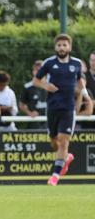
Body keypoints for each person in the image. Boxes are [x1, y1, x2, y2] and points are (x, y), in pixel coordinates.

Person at [33, 34, 84, 186]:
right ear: (55, 47)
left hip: (68, 109)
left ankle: (55, 176)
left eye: (65, 45)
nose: (62, 47)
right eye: (59, 45)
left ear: (70, 47)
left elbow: (80, 84)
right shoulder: (49, 63)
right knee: (54, 142)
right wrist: (45, 85)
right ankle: (66, 157)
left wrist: (81, 97)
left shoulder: (77, 63)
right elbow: (36, 80)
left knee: (63, 141)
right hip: (52, 108)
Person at [19, 60, 47, 129]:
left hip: (50, 122)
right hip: (34, 124)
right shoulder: (27, 87)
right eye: (36, 70)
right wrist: (29, 113)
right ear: (33, 72)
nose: (39, 72)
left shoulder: (51, 86)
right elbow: (21, 105)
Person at [76, 60, 94, 129]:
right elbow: (75, 110)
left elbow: (89, 111)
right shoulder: (68, 90)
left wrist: (76, 115)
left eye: (83, 79)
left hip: (82, 125)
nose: (82, 82)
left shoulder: (87, 91)